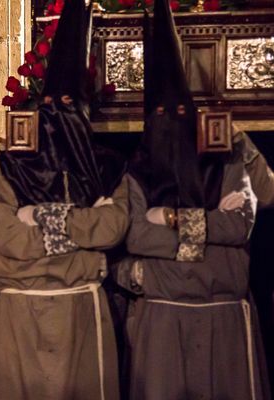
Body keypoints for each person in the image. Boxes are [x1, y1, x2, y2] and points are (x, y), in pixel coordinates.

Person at [120, 0, 271, 398]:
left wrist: (171, 219)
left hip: (221, 316)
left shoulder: (225, 162)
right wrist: (207, 230)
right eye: (160, 114)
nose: (169, 122)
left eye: (178, 111)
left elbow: (238, 226)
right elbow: (135, 236)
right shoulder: (138, 173)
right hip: (163, 316)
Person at [0, 0, 128, 398]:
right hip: (20, 313)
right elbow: (7, 237)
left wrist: (40, 217)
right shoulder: (12, 165)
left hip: (80, 310)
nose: (57, 119)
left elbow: (112, 229)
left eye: (68, 108)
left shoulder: (108, 167)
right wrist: (82, 224)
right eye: (50, 108)